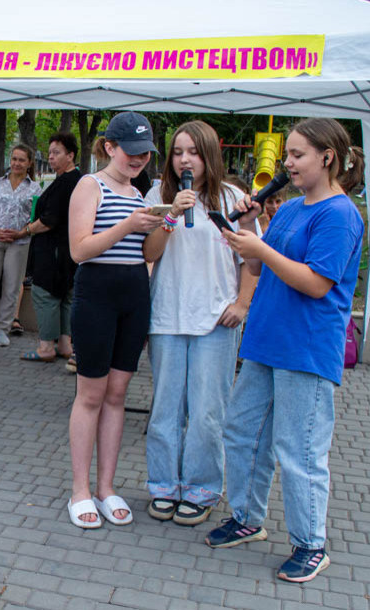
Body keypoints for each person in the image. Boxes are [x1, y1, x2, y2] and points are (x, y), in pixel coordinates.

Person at [206, 118, 365, 584]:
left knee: (299, 448)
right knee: (242, 432)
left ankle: (310, 544)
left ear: (327, 157)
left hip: (307, 347)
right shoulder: (292, 209)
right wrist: (251, 228)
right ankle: (247, 518)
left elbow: (316, 283)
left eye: (297, 155)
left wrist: (262, 246)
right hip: (267, 341)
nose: (287, 164)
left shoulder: (339, 214)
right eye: (287, 156)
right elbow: (256, 264)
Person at [141, 121, 255, 526]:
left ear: (209, 155)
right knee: (166, 408)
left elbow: (252, 261)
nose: (184, 159)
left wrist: (242, 304)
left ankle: (202, 487)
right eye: (177, 152)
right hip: (168, 317)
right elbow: (149, 252)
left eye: (193, 152)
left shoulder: (233, 198)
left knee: (207, 411)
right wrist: (171, 215)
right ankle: (163, 484)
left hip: (215, 321)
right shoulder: (159, 194)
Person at [64, 112, 164, 529]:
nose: (139, 159)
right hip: (97, 293)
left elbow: (149, 253)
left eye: (145, 153)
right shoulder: (90, 185)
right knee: (90, 393)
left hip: (133, 294)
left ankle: (106, 486)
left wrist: (166, 222)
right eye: (131, 151)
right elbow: (80, 250)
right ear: (109, 147)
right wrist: (128, 225)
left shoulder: (141, 194)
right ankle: (80, 490)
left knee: (117, 393)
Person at [20, 132, 81, 362]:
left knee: (44, 295)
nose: (51, 157)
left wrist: (26, 230)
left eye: (57, 153)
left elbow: (48, 221)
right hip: (69, 251)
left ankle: (46, 347)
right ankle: (65, 344)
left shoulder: (66, 183)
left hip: (54, 252)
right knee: (66, 296)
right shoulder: (78, 180)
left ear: (71, 155)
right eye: (50, 153)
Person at [0, 144, 42, 347]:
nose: (17, 163)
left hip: (19, 242)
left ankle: (3, 329)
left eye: (22, 160)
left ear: (29, 163)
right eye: (14, 159)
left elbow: (36, 218)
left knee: (12, 286)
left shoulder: (35, 188)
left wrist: (22, 232)